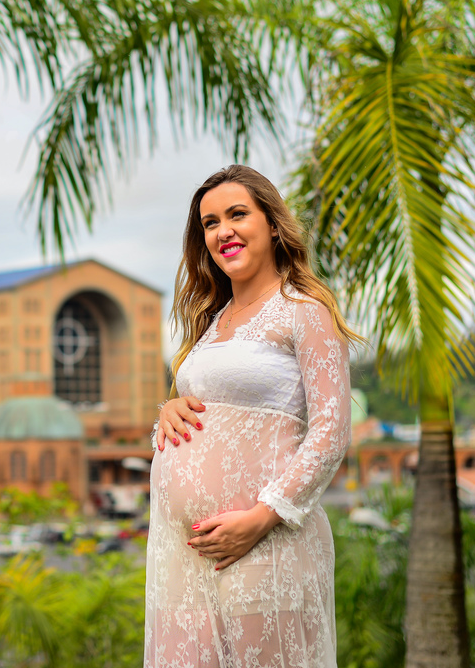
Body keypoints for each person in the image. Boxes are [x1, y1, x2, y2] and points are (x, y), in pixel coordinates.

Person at [145, 165, 361, 668]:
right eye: (210, 222)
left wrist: (262, 518)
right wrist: (170, 407)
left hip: (265, 544)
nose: (223, 231)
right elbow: (208, 411)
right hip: (187, 559)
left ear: (271, 223)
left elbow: (331, 431)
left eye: (237, 214)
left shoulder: (303, 311)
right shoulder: (210, 322)